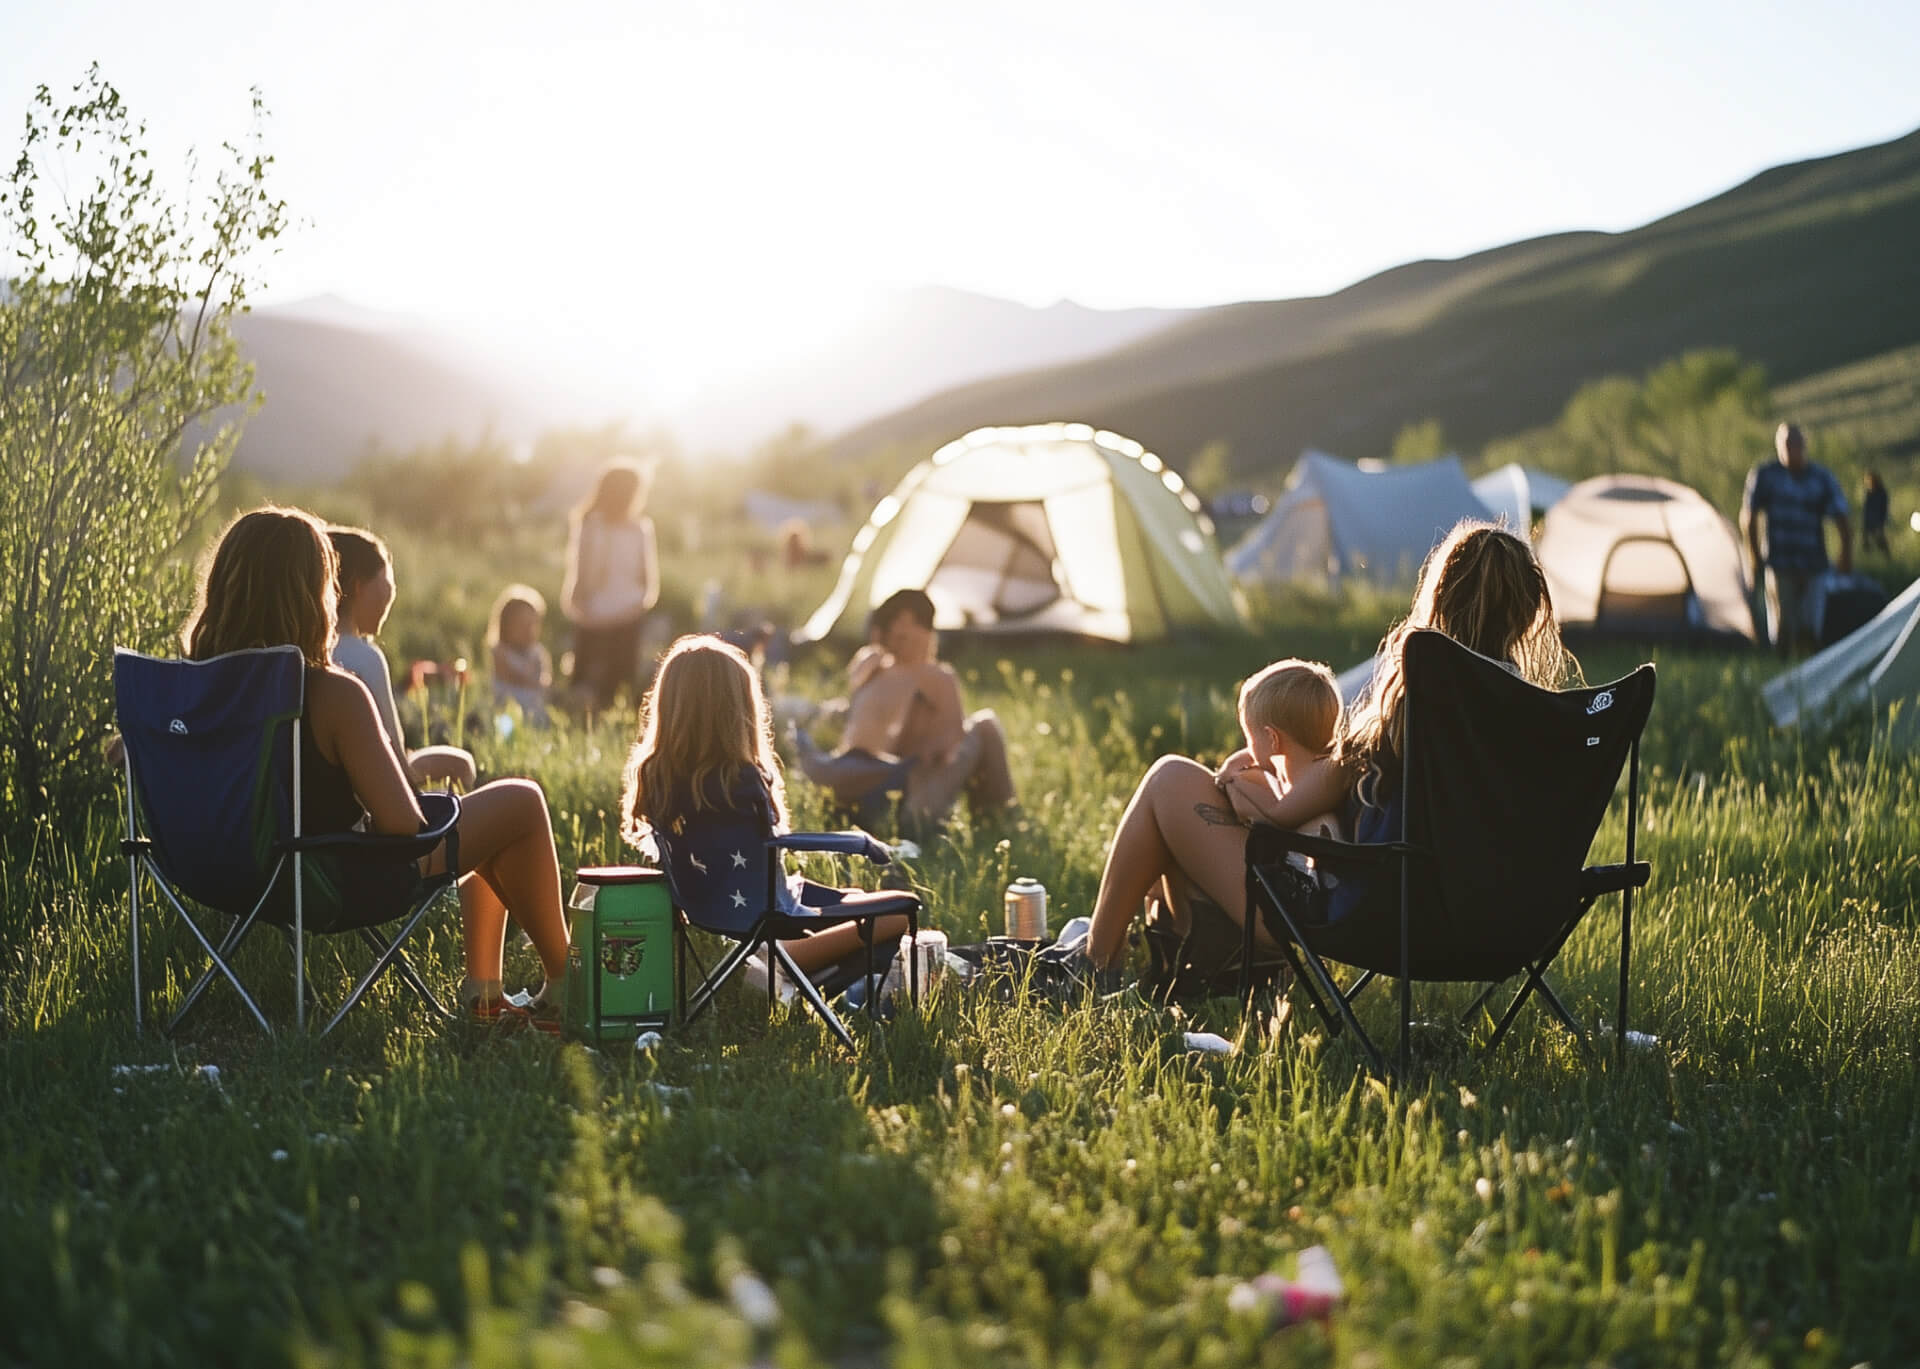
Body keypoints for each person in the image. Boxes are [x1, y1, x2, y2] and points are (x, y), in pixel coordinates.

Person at [1075, 521, 1577, 983]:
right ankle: (1175, 955)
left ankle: (1094, 962)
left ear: (1437, 602)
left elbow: (1281, 813)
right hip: (1502, 928)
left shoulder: (1402, 721)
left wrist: (1233, 783)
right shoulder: (1534, 728)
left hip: (1358, 920)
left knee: (1170, 781)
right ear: (1528, 614)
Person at [190, 507, 573, 1027]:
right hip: (329, 880)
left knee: (483, 820)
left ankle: (485, 993)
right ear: (313, 594)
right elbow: (401, 826)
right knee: (520, 803)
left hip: (222, 873)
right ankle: (566, 983)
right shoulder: (331, 691)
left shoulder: (193, 690)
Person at [621, 635, 912, 979]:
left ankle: (787, 968)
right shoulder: (740, 778)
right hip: (767, 911)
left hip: (708, 908)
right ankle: (786, 962)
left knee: (854, 897)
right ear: (738, 710)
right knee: (899, 912)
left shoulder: (658, 773)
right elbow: (771, 846)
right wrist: (861, 843)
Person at [792, 588, 1017, 830]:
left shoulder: (870, 668)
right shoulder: (931, 675)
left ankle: (994, 816)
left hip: (859, 793)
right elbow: (948, 748)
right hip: (909, 800)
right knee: (986, 725)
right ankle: (1004, 815)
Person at [328, 527, 478, 791]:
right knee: (472, 770)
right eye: (386, 586)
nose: (390, 597)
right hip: (371, 813)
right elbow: (396, 767)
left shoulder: (300, 651)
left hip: (324, 808)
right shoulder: (365, 659)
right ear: (359, 587)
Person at [1741, 423, 1851, 657]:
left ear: (1804, 446)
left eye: (1796, 444)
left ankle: (1812, 671)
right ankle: (1783, 670)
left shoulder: (1821, 478)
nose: (1791, 449)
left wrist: (1845, 555)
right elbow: (1749, 516)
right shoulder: (1766, 475)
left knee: (1811, 628)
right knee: (1783, 628)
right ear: (1779, 446)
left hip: (1814, 566)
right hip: (1780, 565)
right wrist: (1753, 556)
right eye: (1786, 444)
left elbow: (1841, 517)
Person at [561, 459, 659, 710]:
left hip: (625, 616)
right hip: (595, 616)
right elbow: (580, 575)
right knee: (587, 683)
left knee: (617, 684)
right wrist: (582, 612)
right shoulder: (590, 524)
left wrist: (633, 609)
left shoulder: (641, 529)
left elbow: (648, 582)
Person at [488, 583, 553, 726]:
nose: (528, 630)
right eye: (521, 625)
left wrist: (544, 684)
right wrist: (530, 679)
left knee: (541, 718)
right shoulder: (501, 652)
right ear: (506, 626)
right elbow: (510, 676)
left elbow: (544, 680)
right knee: (505, 722)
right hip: (508, 706)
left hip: (534, 707)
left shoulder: (538, 652)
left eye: (532, 624)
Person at [1862, 471, 1890, 555]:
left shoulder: (1882, 493)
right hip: (1869, 520)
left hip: (1878, 520)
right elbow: (1866, 508)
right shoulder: (1869, 493)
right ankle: (1869, 559)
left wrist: (1880, 523)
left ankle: (1887, 558)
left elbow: (1884, 509)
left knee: (1880, 540)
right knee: (1866, 542)